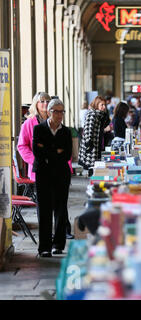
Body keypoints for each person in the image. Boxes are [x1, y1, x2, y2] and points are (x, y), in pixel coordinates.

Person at [18, 92, 74, 239]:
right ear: (36, 104)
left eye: (47, 101)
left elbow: (65, 147)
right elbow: (22, 146)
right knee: (44, 205)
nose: (44, 103)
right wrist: (36, 159)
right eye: (41, 101)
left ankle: (63, 231)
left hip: (59, 169)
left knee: (60, 203)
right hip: (41, 170)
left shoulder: (57, 122)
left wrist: (66, 165)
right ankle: (47, 235)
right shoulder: (29, 124)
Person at [32, 99, 72, 258]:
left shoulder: (66, 131)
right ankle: (45, 247)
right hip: (43, 174)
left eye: (62, 111)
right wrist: (56, 152)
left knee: (61, 209)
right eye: (57, 111)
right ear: (49, 112)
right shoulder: (39, 129)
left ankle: (58, 245)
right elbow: (37, 151)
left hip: (62, 174)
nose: (60, 115)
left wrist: (48, 152)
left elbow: (67, 154)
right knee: (45, 210)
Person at [78, 96, 110, 175]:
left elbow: (106, 125)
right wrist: (89, 145)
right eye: (102, 105)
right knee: (92, 167)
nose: (104, 107)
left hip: (97, 143)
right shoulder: (92, 114)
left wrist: (106, 115)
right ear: (96, 104)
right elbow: (87, 130)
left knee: (95, 166)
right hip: (92, 144)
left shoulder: (100, 115)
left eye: (104, 105)